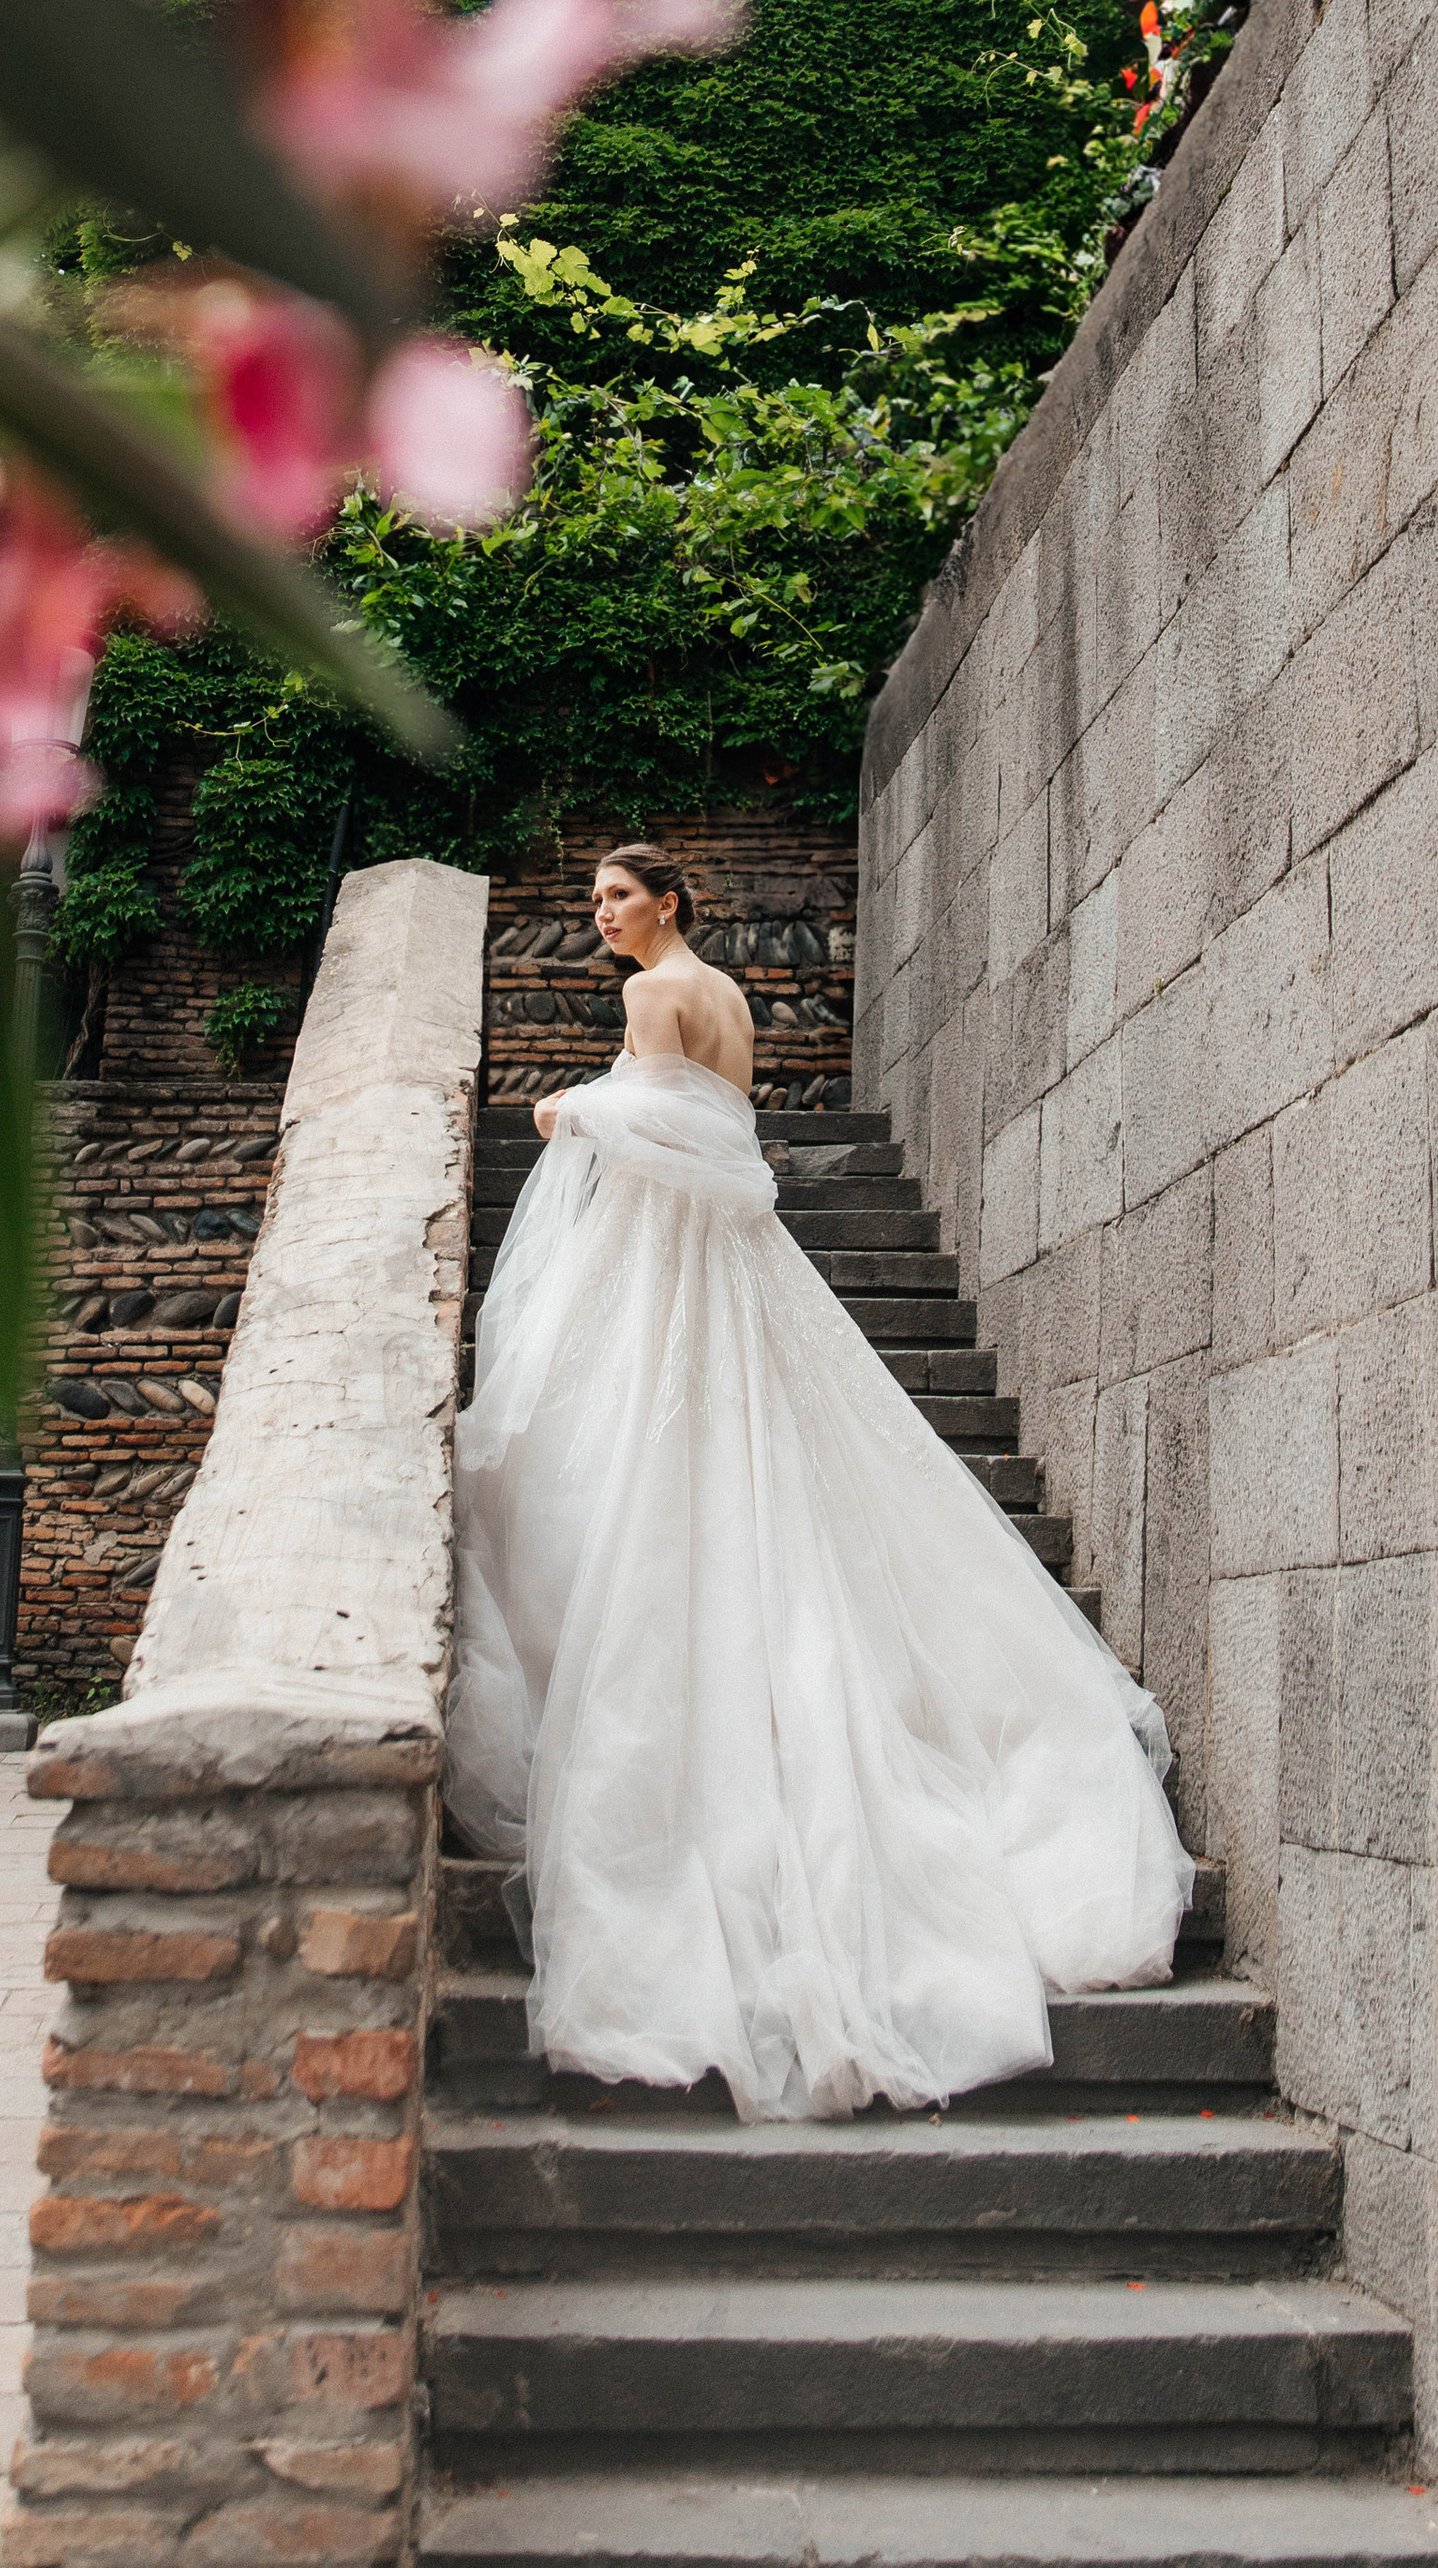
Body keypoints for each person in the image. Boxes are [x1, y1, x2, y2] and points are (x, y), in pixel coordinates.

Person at [445, 840, 1194, 2125]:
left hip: (672, 1262)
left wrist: (567, 1112)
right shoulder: (731, 995)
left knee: (616, 1475)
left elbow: (666, 1137)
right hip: (734, 1263)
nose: (601, 919)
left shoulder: (648, 996)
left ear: (667, 900)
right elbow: (725, 1131)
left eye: (616, 898)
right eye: (593, 904)